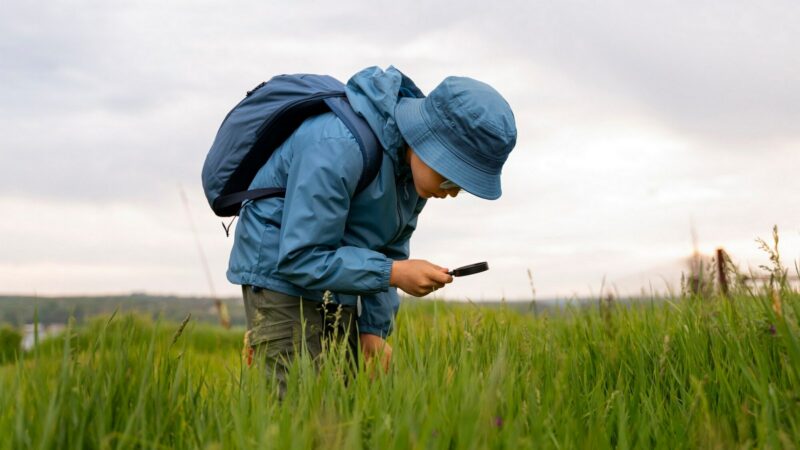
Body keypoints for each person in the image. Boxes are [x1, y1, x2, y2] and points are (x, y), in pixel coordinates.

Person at [227, 66, 517, 395]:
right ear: (428, 141)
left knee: (344, 393)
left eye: (464, 185)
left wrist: (373, 331)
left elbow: (388, 250)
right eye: (453, 176)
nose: (453, 191)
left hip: (337, 276)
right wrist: (393, 273)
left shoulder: (412, 176)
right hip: (280, 274)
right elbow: (299, 256)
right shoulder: (339, 145)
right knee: (295, 401)